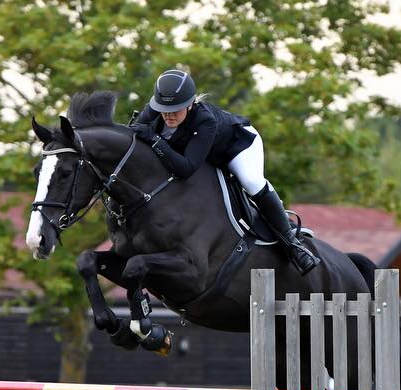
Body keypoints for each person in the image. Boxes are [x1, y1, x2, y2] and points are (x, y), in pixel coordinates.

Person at [131, 69, 320, 275]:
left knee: (251, 182)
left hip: (236, 147)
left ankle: (293, 244)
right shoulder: (154, 111)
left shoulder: (204, 120)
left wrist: (155, 140)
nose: (168, 114)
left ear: (190, 103)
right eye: (163, 108)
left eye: (175, 109)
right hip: (204, 155)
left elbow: (185, 169)